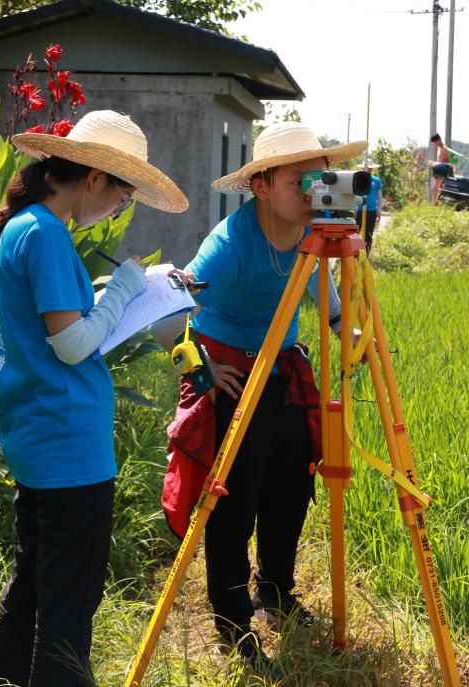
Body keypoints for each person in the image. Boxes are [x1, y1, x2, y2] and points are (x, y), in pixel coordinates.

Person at [0, 110, 188, 687]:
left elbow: (55, 329)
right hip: (70, 445)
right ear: (94, 178)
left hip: (37, 436)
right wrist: (125, 288)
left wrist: (111, 298)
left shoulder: (24, 227)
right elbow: (73, 344)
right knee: (68, 605)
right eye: (122, 198)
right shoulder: (46, 234)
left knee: (34, 587)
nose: (118, 211)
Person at [160, 121, 367, 672]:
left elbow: (317, 280)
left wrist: (344, 325)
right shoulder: (229, 245)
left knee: (289, 483)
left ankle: (275, 589)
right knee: (233, 497)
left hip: (281, 366)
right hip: (228, 370)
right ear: (261, 186)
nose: (312, 192)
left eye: (318, 180)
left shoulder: (309, 232)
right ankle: (231, 620)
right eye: (299, 180)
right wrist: (200, 369)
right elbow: (177, 304)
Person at [355, 160, 384, 253]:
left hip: (372, 211)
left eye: (370, 168)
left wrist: (379, 210)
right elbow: (355, 195)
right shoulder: (358, 179)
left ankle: (367, 253)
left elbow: (379, 197)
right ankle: (354, 253)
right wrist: (354, 209)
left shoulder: (376, 181)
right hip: (360, 209)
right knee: (355, 232)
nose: (368, 170)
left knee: (369, 233)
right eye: (367, 168)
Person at [428, 133, 452, 205]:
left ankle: (434, 206)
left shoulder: (444, 149)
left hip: (443, 172)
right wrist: (434, 163)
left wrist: (434, 163)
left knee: (435, 189)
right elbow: (439, 161)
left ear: (438, 140)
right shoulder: (439, 148)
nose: (435, 144)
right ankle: (437, 204)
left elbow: (447, 163)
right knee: (441, 190)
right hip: (439, 171)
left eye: (435, 142)